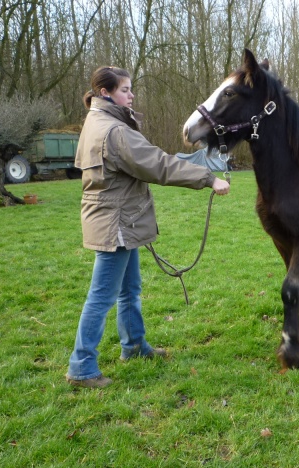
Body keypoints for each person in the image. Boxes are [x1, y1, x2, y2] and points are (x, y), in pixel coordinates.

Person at [66, 66, 230, 389]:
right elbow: (159, 164)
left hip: (117, 218)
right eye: (125, 90)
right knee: (102, 296)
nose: (131, 95)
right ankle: (82, 366)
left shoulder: (95, 122)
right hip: (118, 223)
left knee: (129, 289)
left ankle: (134, 347)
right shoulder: (114, 131)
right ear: (105, 93)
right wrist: (208, 178)